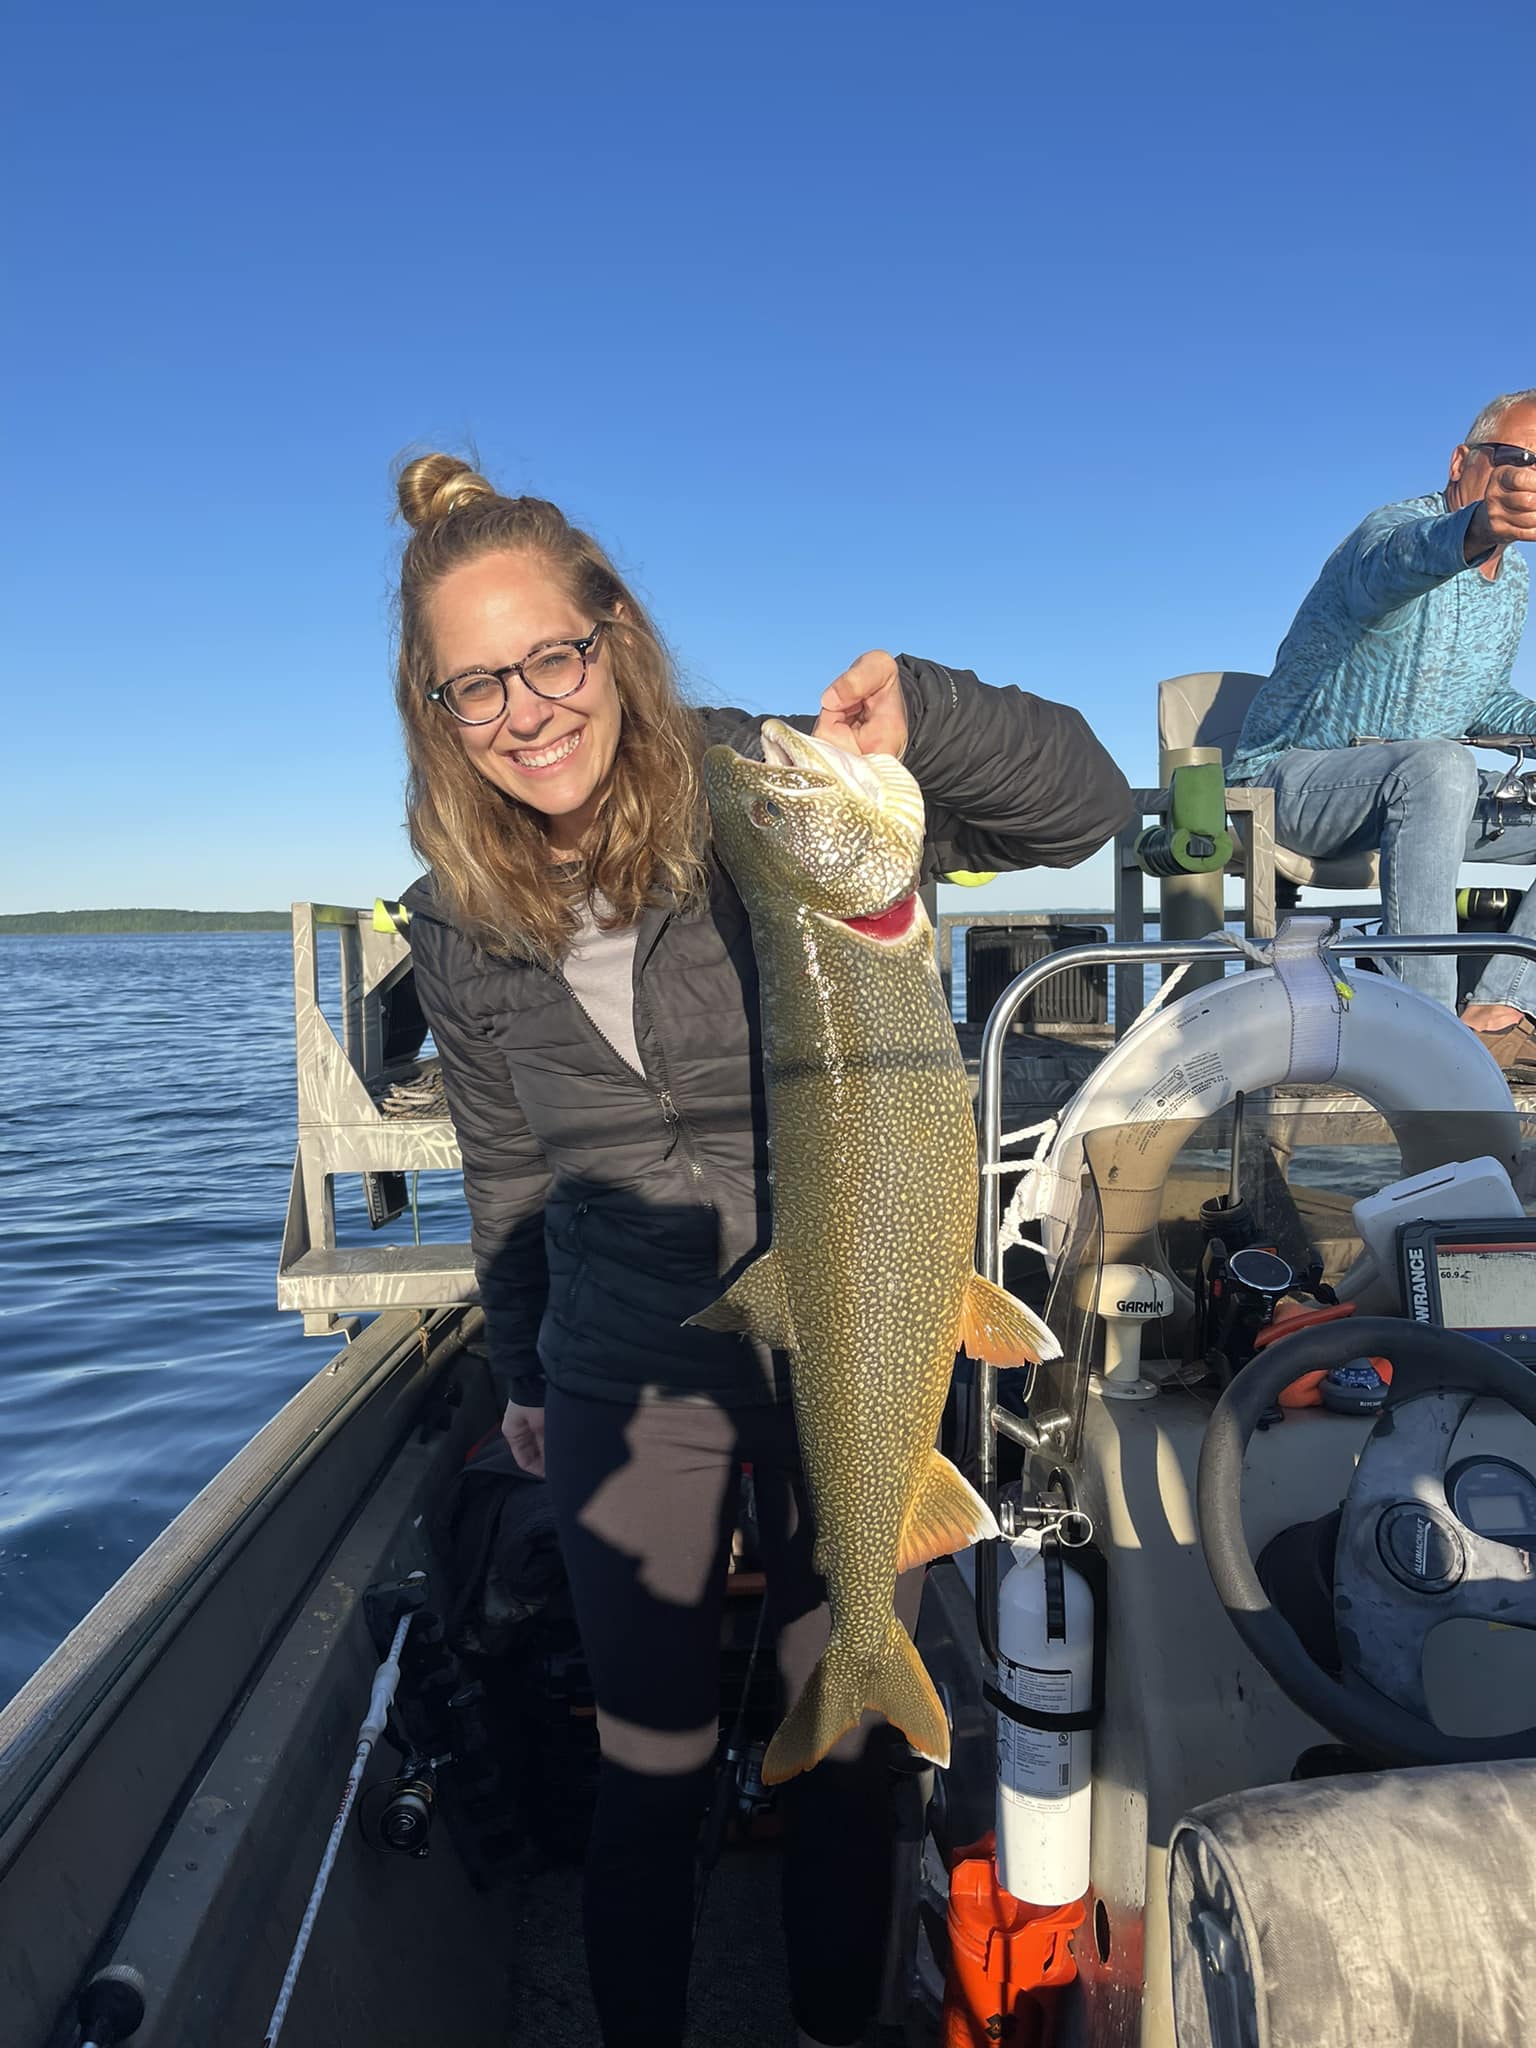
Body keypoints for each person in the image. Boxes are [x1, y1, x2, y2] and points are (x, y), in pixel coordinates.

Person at [391, 452, 1131, 2048]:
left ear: (614, 637)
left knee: (851, 1742)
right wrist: (522, 1374)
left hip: (853, 1317)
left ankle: (829, 2027)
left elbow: (1089, 807)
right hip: (625, 1358)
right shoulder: (449, 916)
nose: (526, 711)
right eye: (476, 689)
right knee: (646, 1756)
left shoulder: (771, 788)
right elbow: (504, 1163)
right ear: (435, 714)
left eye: (553, 659)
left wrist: (923, 711)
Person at [1227, 389, 1536, 1062]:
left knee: (1439, 769)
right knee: (1439, 765)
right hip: (1291, 783)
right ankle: (1427, 1037)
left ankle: (1502, 1009)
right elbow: (1388, 570)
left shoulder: (1513, 585)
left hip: (1421, 793)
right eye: (1518, 457)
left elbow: (1482, 700)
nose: (1529, 477)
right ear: (1463, 461)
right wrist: (1477, 527)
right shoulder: (1391, 532)